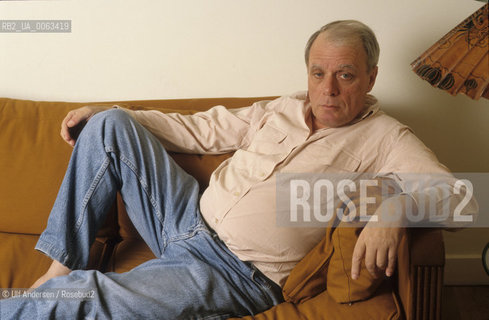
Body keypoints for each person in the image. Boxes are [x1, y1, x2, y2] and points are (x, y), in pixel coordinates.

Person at [1, 20, 476, 319]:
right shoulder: (281, 109)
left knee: (86, 297)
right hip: (184, 219)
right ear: (307, 73)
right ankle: (57, 267)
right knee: (109, 124)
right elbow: (199, 130)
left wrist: (397, 207)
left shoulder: (387, 138)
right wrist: (113, 111)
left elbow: (463, 198)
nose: (328, 89)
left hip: (233, 272)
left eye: (345, 74)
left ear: (371, 77)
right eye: (318, 73)